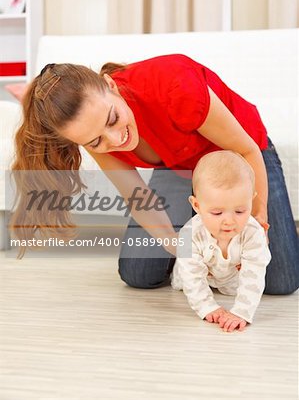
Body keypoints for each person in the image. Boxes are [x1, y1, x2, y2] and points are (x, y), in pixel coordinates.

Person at [11, 54, 299, 295]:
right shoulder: (93, 133)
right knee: (138, 273)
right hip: (181, 167)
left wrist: (257, 218)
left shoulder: (175, 85)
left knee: (281, 280)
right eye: (95, 141)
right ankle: (203, 226)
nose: (115, 139)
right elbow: (138, 198)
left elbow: (248, 150)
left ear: (111, 86)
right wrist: (186, 250)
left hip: (242, 155)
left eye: (113, 119)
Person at [171, 150, 272, 332]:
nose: (229, 221)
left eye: (240, 211)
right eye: (217, 213)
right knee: (184, 275)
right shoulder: (189, 234)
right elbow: (192, 278)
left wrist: (241, 311)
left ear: (251, 200)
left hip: (232, 281)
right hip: (193, 273)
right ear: (197, 206)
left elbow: (254, 273)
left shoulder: (252, 231)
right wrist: (207, 307)